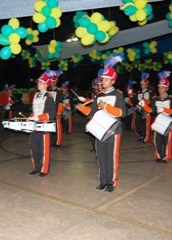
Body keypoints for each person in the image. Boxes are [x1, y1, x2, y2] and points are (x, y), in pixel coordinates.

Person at [76, 55, 126, 192]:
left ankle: (112, 182)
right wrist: (83, 109)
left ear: (112, 81)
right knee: (101, 157)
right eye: (102, 79)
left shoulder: (118, 95)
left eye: (104, 79)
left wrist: (107, 107)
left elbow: (123, 113)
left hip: (114, 130)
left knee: (112, 157)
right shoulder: (98, 96)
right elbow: (92, 113)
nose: (101, 81)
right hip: (100, 130)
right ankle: (103, 181)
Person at [145, 71, 172, 163]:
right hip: (158, 122)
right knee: (156, 141)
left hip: (168, 122)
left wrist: (165, 110)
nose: (160, 89)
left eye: (162, 87)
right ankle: (159, 155)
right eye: (159, 87)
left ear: (166, 88)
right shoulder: (155, 99)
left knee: (167, 141)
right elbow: (152, 111)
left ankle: (166, 157)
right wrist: (144, 106)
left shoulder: (171, 99)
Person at [28, 71, 55, 176]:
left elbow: (51, 113)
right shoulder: (35, 95)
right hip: (35, 125)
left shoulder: (49, 96)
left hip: (44, 126)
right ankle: (36, 168)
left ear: (45, 84)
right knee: (34, 147)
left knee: (44, 149)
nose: (38, 84)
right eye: (38, 82)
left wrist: (38, 117)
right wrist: (31, 116)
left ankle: (44, 169)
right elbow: (34, 110)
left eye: (40, 82)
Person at [132, 72, 153, 143]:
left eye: (143, 84)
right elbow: (134, 101)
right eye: (141, 84)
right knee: (137, 124)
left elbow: (152, 102)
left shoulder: (150, 92)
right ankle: (140, 135)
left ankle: (145, 137)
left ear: (146, 85)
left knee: (144, 125)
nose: (141, 85)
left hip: (146, 111)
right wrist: (131, 95)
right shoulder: (138, 92)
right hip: (139, 110)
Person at [48, 70, 64, 147]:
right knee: (50, 127)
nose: (50, 83)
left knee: (57, 127)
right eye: (50, 82)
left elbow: (61, 103)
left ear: (55, 83)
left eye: (52, 82)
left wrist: (59, 113)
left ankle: (58, 142)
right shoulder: (47, 91)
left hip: (56, 112)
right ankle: (51, 141)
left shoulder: (59, 92)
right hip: (49, 112)